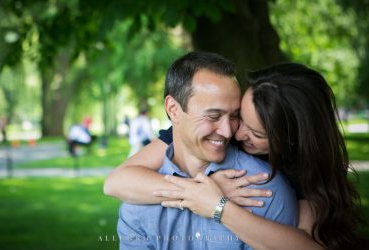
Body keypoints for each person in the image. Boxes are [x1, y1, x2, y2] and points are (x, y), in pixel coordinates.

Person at [104, 62, 365, 249]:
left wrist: (219, 207)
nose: (234, 134)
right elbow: (116, 182)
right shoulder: (201, 129)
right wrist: (200, 188)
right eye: (241, 117)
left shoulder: (302, 173)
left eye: (256, 133)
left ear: (292, 139)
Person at [108, 51, 298, 249]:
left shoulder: (264, 189)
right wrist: (196, 190)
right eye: (214, 116)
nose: (228, 132)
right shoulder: (137, 203)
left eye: (234, 116)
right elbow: (114, 182)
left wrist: (217, 205)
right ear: (173, 110)